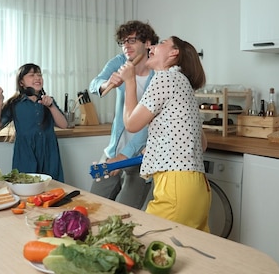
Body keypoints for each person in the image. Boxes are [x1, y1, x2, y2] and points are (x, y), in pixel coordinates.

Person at [119, 36, 210, 232]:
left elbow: (131, 124)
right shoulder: (183, 84)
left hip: (176, 186)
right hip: (197, 186)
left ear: (173, 53)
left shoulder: (165, 78)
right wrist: (157, 147)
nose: (151, 46)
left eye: (160, 43)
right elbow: (201, 144)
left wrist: (129, 81)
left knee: (147, 243)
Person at [88, 20, 159, 209]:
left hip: (142, 153)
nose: (126, 46)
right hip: (115, 147)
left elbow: (150, 122)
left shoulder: (159, 75)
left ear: (147, 43)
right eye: (123, 42)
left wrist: (125, 156)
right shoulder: (120, 62)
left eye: (132, 40)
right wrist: (106, 83)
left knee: (126, 211)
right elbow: (95, 84)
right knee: (94, 202)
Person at [0, 63, 68, 181]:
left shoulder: (48, 101)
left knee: (53, 189)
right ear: (21, 82)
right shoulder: (15, 104)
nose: (37, 78)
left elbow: (64, 125)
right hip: (25, 154)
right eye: (31, 75)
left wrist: (51, 106)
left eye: (39, 75)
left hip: (49, 153)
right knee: (26, 188)